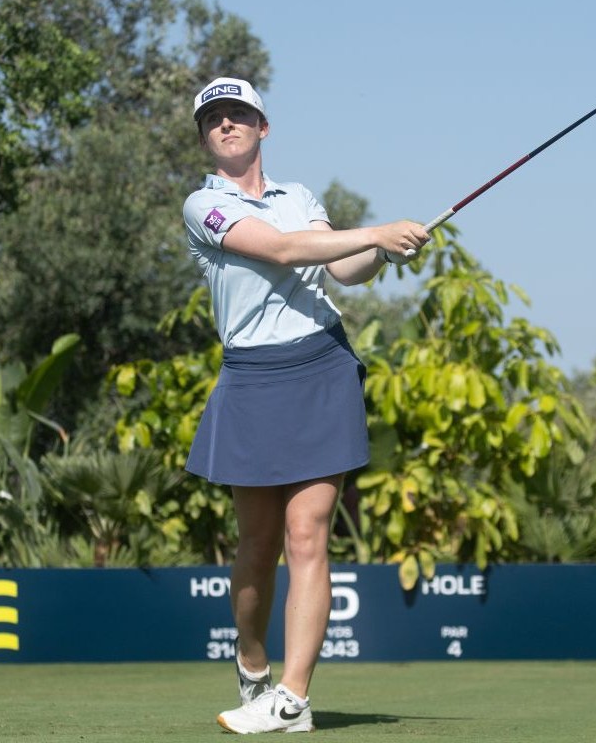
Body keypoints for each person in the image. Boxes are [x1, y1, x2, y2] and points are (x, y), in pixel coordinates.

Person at [182, 76, 429, 734]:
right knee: (257, 544)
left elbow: (342, 269)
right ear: (205, 138)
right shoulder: (203, 205)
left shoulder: (299, 196)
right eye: (214, 119)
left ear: (262, 127)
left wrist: (382, 250)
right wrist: (375, 229)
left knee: (307, 534)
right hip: (252, 378)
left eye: (238, 115)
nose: (226, 124)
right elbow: (284, 250)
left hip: (321, 367)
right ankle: (252, 662)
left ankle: (293, 698)